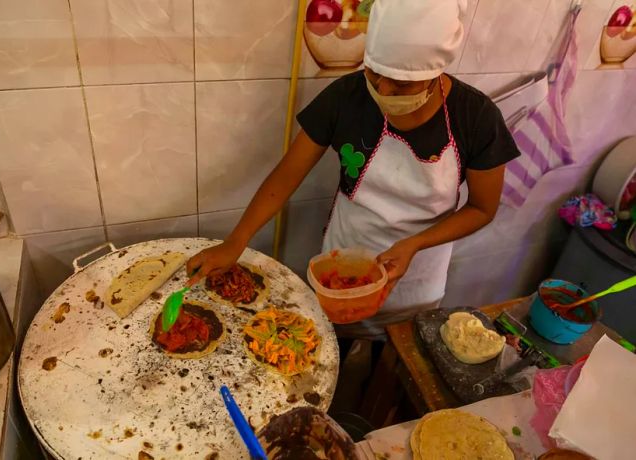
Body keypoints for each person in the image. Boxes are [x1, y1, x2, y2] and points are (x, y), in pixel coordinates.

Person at [187, 0, 520, 343]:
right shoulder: (347, 96)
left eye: (402, 85)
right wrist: (236, 241)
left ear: (435, 72)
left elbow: (483, 208)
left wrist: (415, 243)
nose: (384, 92)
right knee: (332, 352)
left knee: (394, 365)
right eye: (375, 75)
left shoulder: (476, 117)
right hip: (341, 268)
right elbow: (287, 175)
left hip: (417, 276)